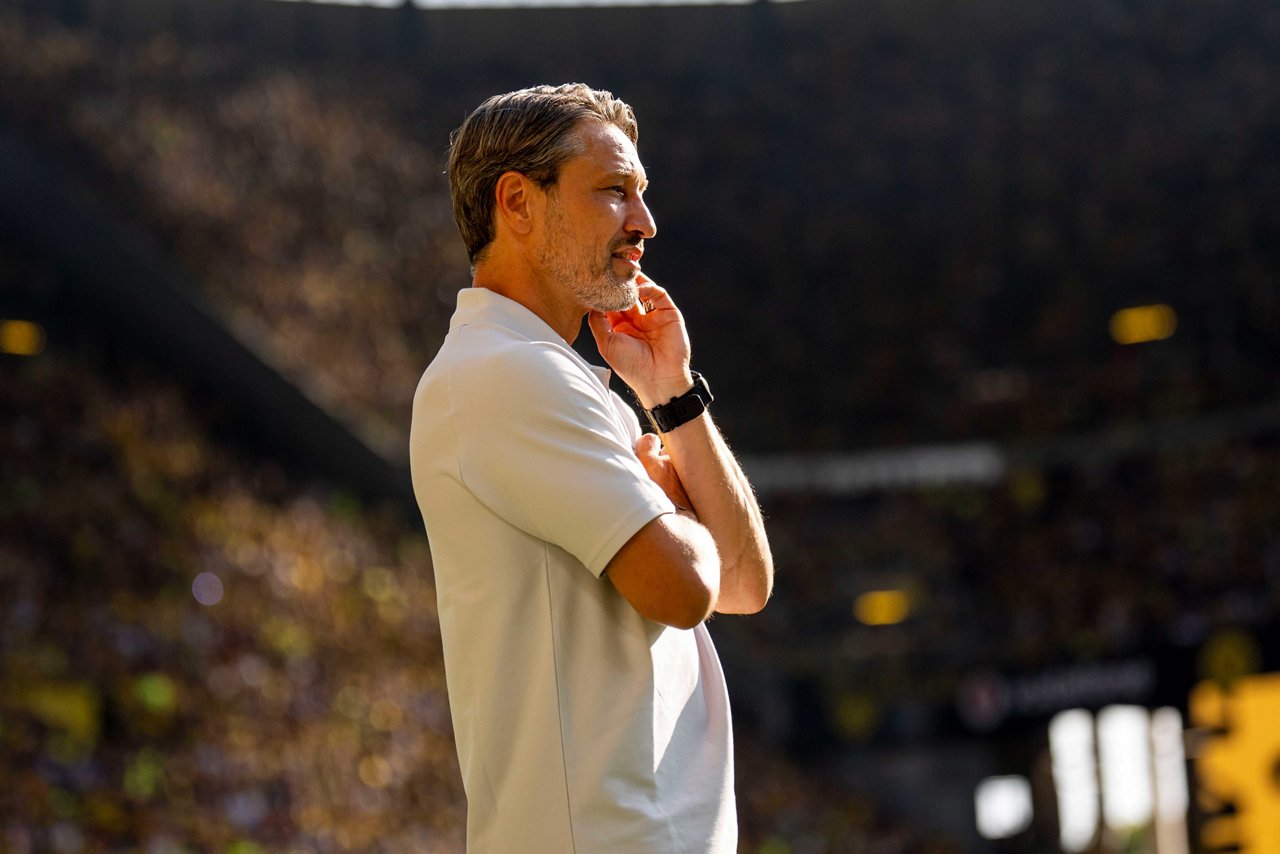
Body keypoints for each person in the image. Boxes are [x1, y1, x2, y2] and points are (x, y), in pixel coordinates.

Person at [409, 83, 773, 852]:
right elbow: (682, 588)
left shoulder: (552, 377)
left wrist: (670, 395)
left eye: (640, 195)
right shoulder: (503, 373)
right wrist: (668, 504)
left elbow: (743, 581)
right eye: (614, 191)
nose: (645, 223)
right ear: (517, 202)